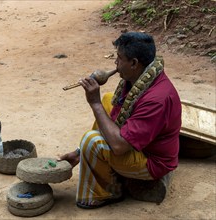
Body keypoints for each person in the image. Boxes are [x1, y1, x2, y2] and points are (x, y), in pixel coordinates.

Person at [59, 32, 182, 209]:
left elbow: (118, 146)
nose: (115, 63)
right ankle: (91, 158)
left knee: (91, 140)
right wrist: (79, 153)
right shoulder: (138, 77)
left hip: (152, 162)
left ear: (134, 63)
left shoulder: (156, 100)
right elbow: (117, 116)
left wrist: (94, 102)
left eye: (119, 58)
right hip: (140, 144)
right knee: (110, 100)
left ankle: (107, 192)